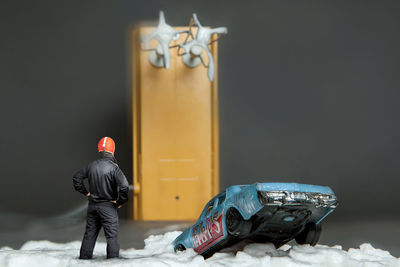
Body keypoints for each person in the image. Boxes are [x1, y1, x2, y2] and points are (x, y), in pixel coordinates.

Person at [72, 137, 129, 259]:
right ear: (112, 151)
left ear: (100, 150)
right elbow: (124, 186)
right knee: (111, 238)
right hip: (108, 207)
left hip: (93, 206)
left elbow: (76, 178)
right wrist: (120, 201)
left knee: (89, 235)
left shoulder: (91, 165)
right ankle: (112, 263)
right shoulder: (114, 168)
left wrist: (86, 192)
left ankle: (83, 263)